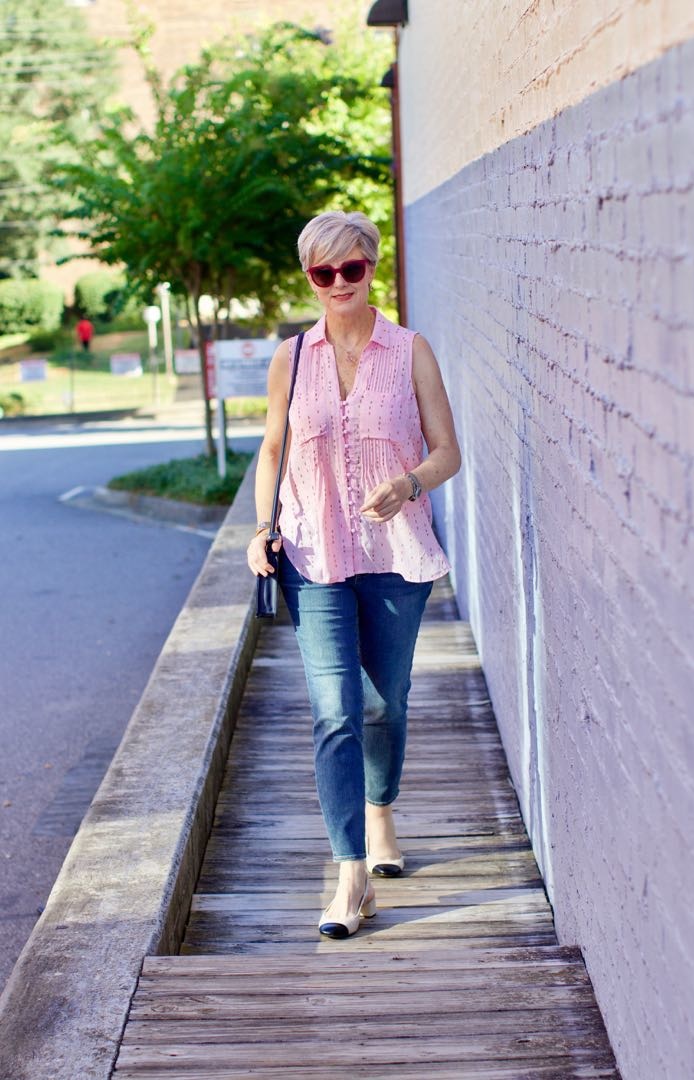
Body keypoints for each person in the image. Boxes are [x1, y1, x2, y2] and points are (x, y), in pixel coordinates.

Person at [247, 210, 461, 939]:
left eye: (352, 269)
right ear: (308, 277)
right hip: (315, 556)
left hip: (396, 556)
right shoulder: (291, 358)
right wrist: (261, 528)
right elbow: (272, 450)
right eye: (322, 272)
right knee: (335, 709)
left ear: (373, 267)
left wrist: (407, 485)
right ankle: (350, 875)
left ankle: (380, 811)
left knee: (384, 704)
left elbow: (447, 452)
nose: (338, 283)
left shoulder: (410, 351)